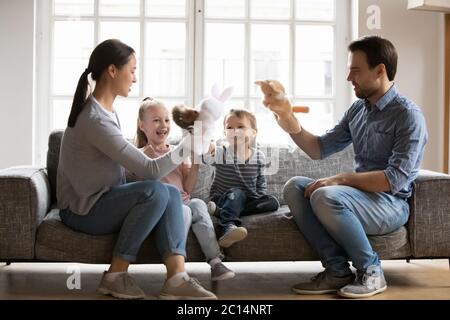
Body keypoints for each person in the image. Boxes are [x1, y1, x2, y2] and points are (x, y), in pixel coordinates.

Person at [266, 35, 428, 298]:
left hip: (390, 204)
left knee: (326, 194)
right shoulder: (357, 110)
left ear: (380, 70)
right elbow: (319, 149)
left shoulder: (408, 115)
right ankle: (337, 270)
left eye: (355, 71)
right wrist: (287, 118)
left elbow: (393, 180)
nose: (348, 78)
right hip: (360, 198)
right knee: (295, 187)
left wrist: (340, 179)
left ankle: (372, 271)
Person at [57, 39, 216, 300]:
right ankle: (115, 275)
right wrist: (191, 142)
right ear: (112, 70)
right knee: (155, 191)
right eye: (131, 70)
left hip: (104, 199)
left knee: (171, 193)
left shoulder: (105, 111)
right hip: (82, 210)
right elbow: (151, 170)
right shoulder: (95, 119)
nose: (134, 78)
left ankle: (176, 277)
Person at [133, 97, 235, 281]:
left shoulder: (177, 150)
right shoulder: (139, 154)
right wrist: (142, 156)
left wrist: (196, 159)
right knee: (185, 210)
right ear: (142, 125)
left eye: (166, 120)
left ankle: (215, 262)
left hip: (185, 201)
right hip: (163, 207)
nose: (163, 125)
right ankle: (177, 268)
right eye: (156, 120)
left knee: (197, 204)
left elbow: (188, 187)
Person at [205, 109, 280, 248]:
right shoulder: (222, 152)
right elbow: (205, 158)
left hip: (247, 201)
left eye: (240, 127)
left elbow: (260, 183)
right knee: (237, 193)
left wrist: (260, 198)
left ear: (253, 132)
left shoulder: (259, 156)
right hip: (224, 198)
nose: (235, 131)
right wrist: (208, 145)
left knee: (273, 202)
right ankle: (228, 227)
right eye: (230, 128)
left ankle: (221, 212)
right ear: (224, 133)